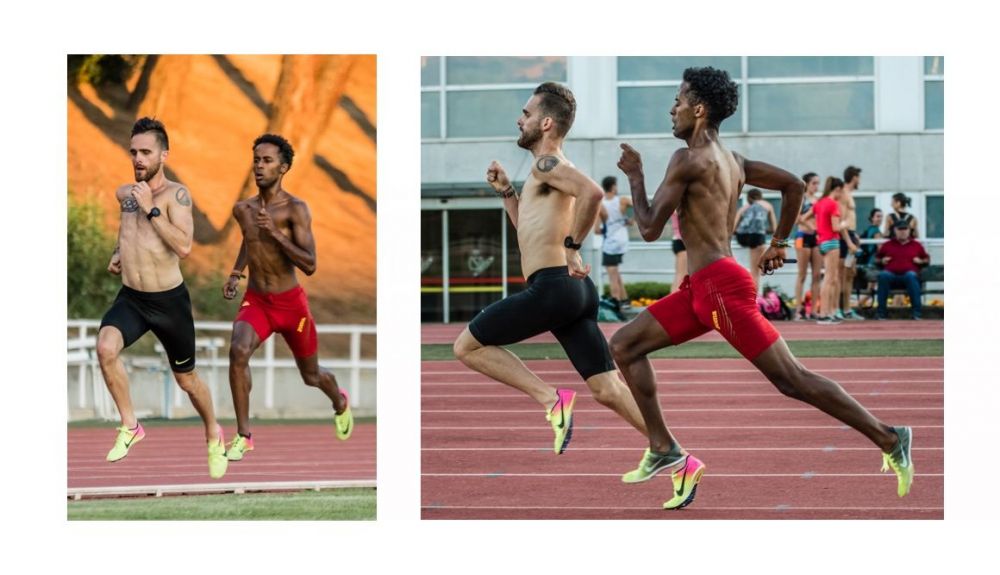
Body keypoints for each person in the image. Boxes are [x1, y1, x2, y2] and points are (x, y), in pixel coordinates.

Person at [609, 67, 912, 510]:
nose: (671, 109)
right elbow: (792, 185)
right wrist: (780, 243)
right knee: (625, 345)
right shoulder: (733, 161)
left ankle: (890, 437)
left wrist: (635, 175)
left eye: (678, 100)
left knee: (792, 380)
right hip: (702, 287)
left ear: (699, 109)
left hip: (718, 289)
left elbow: (651, 227)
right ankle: (663, 447)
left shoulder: (687, 159)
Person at [453, 82, 647, 455]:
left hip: (554, 285)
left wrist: (573, 247)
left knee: (467, 346)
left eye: (525, 114)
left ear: (544, 123)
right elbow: (527, 230)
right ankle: (673, 450)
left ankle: (550, 399)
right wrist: (507, 192)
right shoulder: (543, 173)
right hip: (574, 291)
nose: (518, 120)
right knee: (608, 389)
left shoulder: (548, 164)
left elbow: (591, 192)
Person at [97, 117, 227, 479]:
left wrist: (151, 209)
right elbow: (129, 231)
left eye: (145, 152)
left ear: (163, 155)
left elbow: (184, 246)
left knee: (187, 381)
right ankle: (131, 425)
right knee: (105, 348)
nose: (138, 158)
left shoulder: (176, 196)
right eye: (133, 152)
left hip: (169, 302)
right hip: (133, 299)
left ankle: (213, 433)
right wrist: (117, 252)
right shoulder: (126, 194)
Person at [222, 134, 353, 461]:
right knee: (238, 350)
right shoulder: (244, 209)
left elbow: (310, 264)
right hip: (258, 302)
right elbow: (250, 240)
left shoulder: (295, 210)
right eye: (256, 160)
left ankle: (339, 401)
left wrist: (276, 234)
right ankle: (244, 435)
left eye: (266, 161)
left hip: (291, 306)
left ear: (284, 167)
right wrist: (237, 273)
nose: (259, 166)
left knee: (311, 376)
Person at [802, 177, 857, 325]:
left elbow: (802, 219)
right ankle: (824, 313)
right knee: (830, 279)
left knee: (830, 279)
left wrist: (815, 229)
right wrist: (845, 223)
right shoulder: (833, 204)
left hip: (822, 242)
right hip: (832, 242)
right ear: (837, 189)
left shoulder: (819, 203)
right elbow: (835, 228)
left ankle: (829, 312)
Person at [875, 221, 930, 320]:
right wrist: (882, 260)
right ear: (895, 231)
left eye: (905, 229)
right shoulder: (888, 245)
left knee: (911, 276)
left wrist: (921, 261)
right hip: (891, 276)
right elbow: (877, 259)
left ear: (909, 231)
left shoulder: (916, 245)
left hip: (908, 277)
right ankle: (881, 313)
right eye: (900, 229)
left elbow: (927, 259)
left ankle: (916, 313)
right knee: (883, 275)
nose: (903, 232)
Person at [595, 175, 632, 313]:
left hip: (611, 243)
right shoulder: (622, 201)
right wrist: (628, 220)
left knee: (611, 275)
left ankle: (616, 304)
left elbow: (596, 230)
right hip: (622, 241)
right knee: (615, 272)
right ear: (613, 186)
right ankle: (624, 300)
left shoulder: (601, 204)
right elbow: (641, 207)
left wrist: (606, 227)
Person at [733, 188, 776, 291]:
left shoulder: (744, 208)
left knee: (753, 269)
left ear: (749, 198)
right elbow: (774, 228)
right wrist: (764, 231)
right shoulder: (767, 205)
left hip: (742, 236)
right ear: (760, 197)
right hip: (757, 236)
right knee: (755, 272)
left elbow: (733, 228)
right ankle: (755, 299)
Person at [793, 172, 822, 319]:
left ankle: (814, 310)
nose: (817, 186)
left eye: (818, 183)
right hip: (802, 236)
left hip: (816, 237)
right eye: (814, 183)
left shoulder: (818, 200)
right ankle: (799, 308)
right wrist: (810, 217)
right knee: (802, 274)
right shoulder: (801, 199)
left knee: (817, 275)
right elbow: (796, 219)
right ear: (807, 184)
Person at [838, 166, 864, 320]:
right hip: (845, 238)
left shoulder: (850, 194)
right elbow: (841, 221)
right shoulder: (843, 193)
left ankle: (847, 309)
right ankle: (838, 309)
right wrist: (848, 241)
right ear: (854, 177)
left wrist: (855, 237)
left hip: (852, 236)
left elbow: (850, 219)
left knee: (850, 275)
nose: (860, 180)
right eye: (859, 177)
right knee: (842, 275)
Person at [857, 208, 884, 308]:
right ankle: (858, 306)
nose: (880, 219)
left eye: (881, 216)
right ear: (872, 218)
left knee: (870, 290)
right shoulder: (876, 231)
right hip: (872, 264)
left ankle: (858, 305)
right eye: (877, 216)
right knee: (870, 291)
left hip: (867, 263)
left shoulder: (868, 229)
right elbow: (880, 248)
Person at [670, 212, 687, 294]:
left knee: (681, 275)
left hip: (682, 242)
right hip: (681, 242)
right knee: (681, 276)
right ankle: (672, 303)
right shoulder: (677, 206)